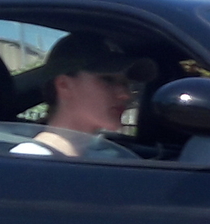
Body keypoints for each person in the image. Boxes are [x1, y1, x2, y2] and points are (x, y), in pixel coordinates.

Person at [9, 31, 155, 159]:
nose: (125, 94)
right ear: (64, 85)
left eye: (126, 84)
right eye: (107, 80)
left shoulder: (106, 158)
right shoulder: (29, 162)